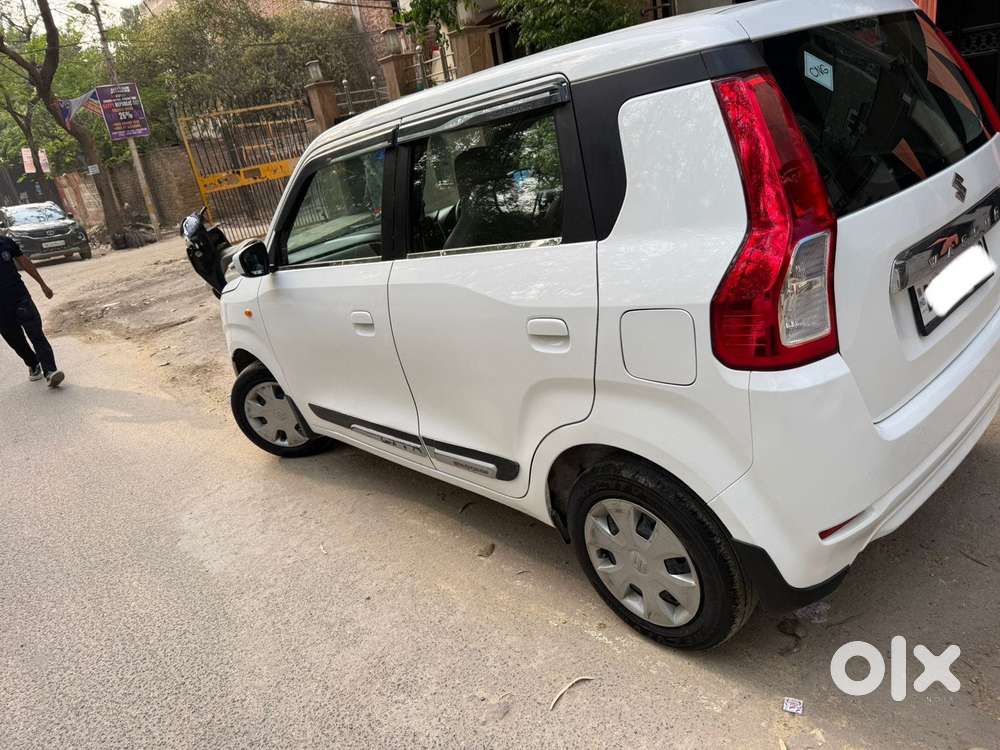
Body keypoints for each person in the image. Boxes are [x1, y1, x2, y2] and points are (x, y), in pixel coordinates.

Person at [0, 234, 64, 387]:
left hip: (20, 298)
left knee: (36, 334)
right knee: (16, 341)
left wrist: (43, 284)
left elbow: (25, 263)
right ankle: (33, 363)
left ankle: (50, 371)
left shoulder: (6, 242)